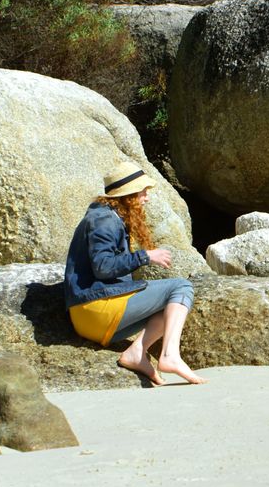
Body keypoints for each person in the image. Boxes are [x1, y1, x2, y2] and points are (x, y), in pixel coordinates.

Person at [64, 161, 207, 386]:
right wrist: (145, 257)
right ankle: (170, 355)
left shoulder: (107, 216)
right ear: (128, 195)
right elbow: (103, 267)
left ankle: (136, 353)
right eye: (143, 193)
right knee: (181, 287)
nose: (146, 198)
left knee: (168, 308)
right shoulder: (104, 220)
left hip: (93, 314)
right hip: (94, 308)